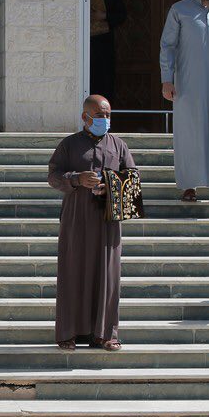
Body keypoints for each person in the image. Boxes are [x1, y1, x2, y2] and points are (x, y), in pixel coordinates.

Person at [48, 95, 136, 353]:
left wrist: (109, 186)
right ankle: (68, 333)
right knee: (73, 271)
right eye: (99, 116)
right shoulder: (69, 144)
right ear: (84, 117)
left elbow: (133, 178)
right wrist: (77, 179)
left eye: (108, 115)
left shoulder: (118, 145)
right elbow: (53, 175)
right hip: (76, 218)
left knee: (107, 275)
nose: (104, 120)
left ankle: (105, 334)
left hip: (107, 220)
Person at [160, 0, 209, 202]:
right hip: (189, 86)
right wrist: (167, 80)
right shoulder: (179, 10)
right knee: (189, 135)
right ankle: (189, 186)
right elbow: (167, 46)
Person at [90, 0, 127, 103]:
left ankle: (104, 109)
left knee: (105, 77)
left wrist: (104, 16)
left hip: (105, 40)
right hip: (90, 41)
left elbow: (121, 15)